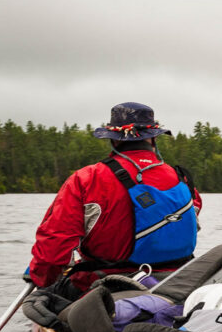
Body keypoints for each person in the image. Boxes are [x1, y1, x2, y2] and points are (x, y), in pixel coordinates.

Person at [28, 102, 202, 292]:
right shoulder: (183, 180)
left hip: (104, 289)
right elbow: (191, 222)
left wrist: (41, 278)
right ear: (153, 139)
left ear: (114, 139)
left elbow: (53, 248)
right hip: (177, 285)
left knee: (44, 295)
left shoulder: (87, 179)